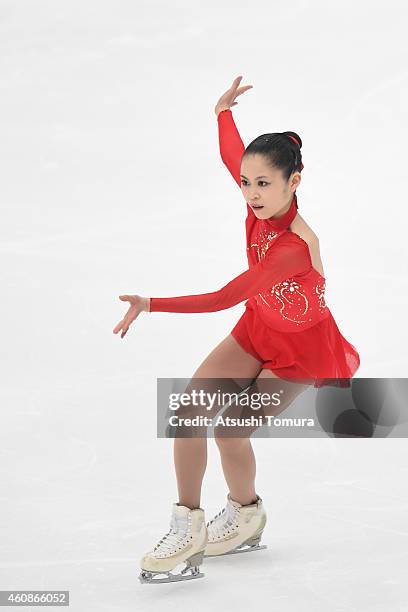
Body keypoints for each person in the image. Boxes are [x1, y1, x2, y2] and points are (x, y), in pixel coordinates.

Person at [113, 76, 360, 583]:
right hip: (258, 329)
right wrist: (223, 113)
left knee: (229, 429)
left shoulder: (291, 247)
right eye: (246, 183)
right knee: (187, 411)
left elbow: (224, 297)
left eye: (263, 184)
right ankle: (188, 525)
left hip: (299, 353)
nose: (250, 193)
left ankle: (246, 515)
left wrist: (151, 303)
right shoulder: (259, 197)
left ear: (294, 182)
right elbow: (234, 157)